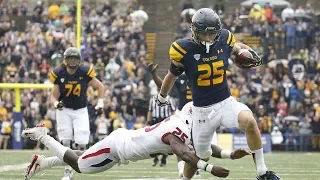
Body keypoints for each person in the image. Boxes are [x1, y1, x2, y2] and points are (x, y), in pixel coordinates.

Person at [155, 8, 281, 180]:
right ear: (194, 31)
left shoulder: (224, 38)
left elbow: (237, 48)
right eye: (204, 34)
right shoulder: (183, 49)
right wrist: (162, 96)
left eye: (212, 33)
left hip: (225, 102)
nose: (209, 38)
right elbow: (171, 76)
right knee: (201, 156)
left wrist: (249, 52)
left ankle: (262, 172)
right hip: (201, 111)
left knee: (249, 121)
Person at [21, 108, 251, 180]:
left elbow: (203, 148)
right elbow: (188, 155)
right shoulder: (177, 132)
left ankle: (42, 163)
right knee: (82, 165)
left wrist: (230, 155)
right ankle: (43, 136)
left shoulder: (184, 122)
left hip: (123, 143)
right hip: (118, 148)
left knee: (86, 155)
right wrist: (211, 169)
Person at [48, 47, 105, 180]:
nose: (73, 61)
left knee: (82, 141)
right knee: (65, 141)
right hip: (64, 110)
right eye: (70, 58)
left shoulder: (84, 72)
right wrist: (57, 104)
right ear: (65, 60)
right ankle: (67, 172)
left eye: (75, 58)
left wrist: (100, 103)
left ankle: (84, 167)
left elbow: (100, 86)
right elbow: (54, 96)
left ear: (79, 60)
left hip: (80, 110)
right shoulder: (59, 73)